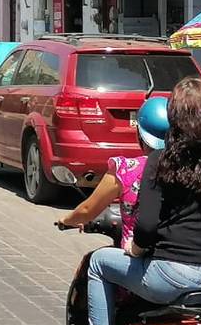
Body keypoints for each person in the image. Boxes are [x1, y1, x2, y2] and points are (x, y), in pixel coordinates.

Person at [84, 78, 201, 325]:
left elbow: (147, 226)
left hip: (171, 276)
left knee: (98, 263)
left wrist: (135, 250)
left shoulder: (160, 160)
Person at [58, 96, 170, 249]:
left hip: (136, 253)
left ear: (139, 134)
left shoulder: (125, 169)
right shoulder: (189, 169)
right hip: (179, 251)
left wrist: (66, 220)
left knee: (95, 260)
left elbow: (86, 211)